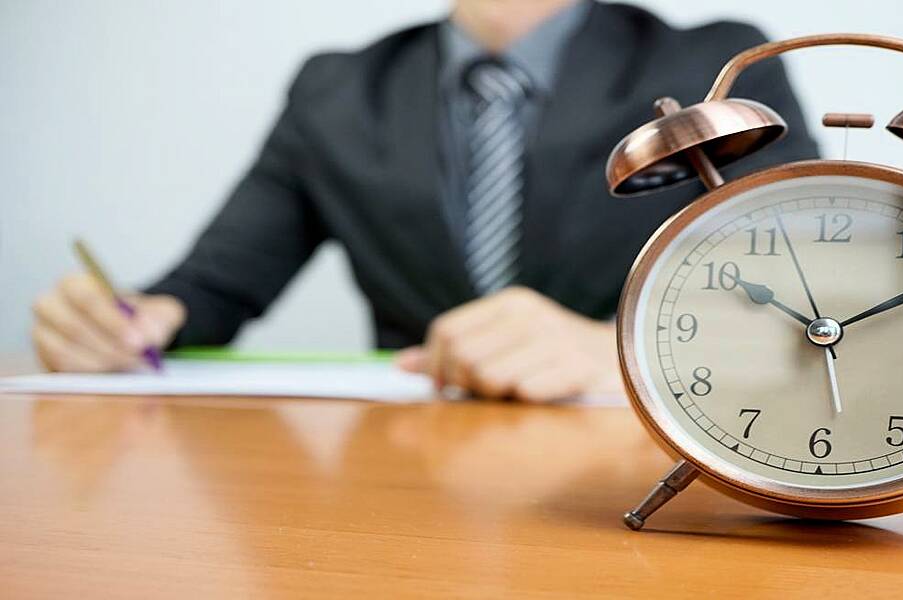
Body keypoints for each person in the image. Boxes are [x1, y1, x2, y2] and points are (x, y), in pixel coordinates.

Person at [30, 0, 818, 400]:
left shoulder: (716, 63)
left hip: (636, 467)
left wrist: (617, 353)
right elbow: (213, 286)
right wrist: (137, 322)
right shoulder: (335, 89)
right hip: (405, 466)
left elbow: (816, 293)